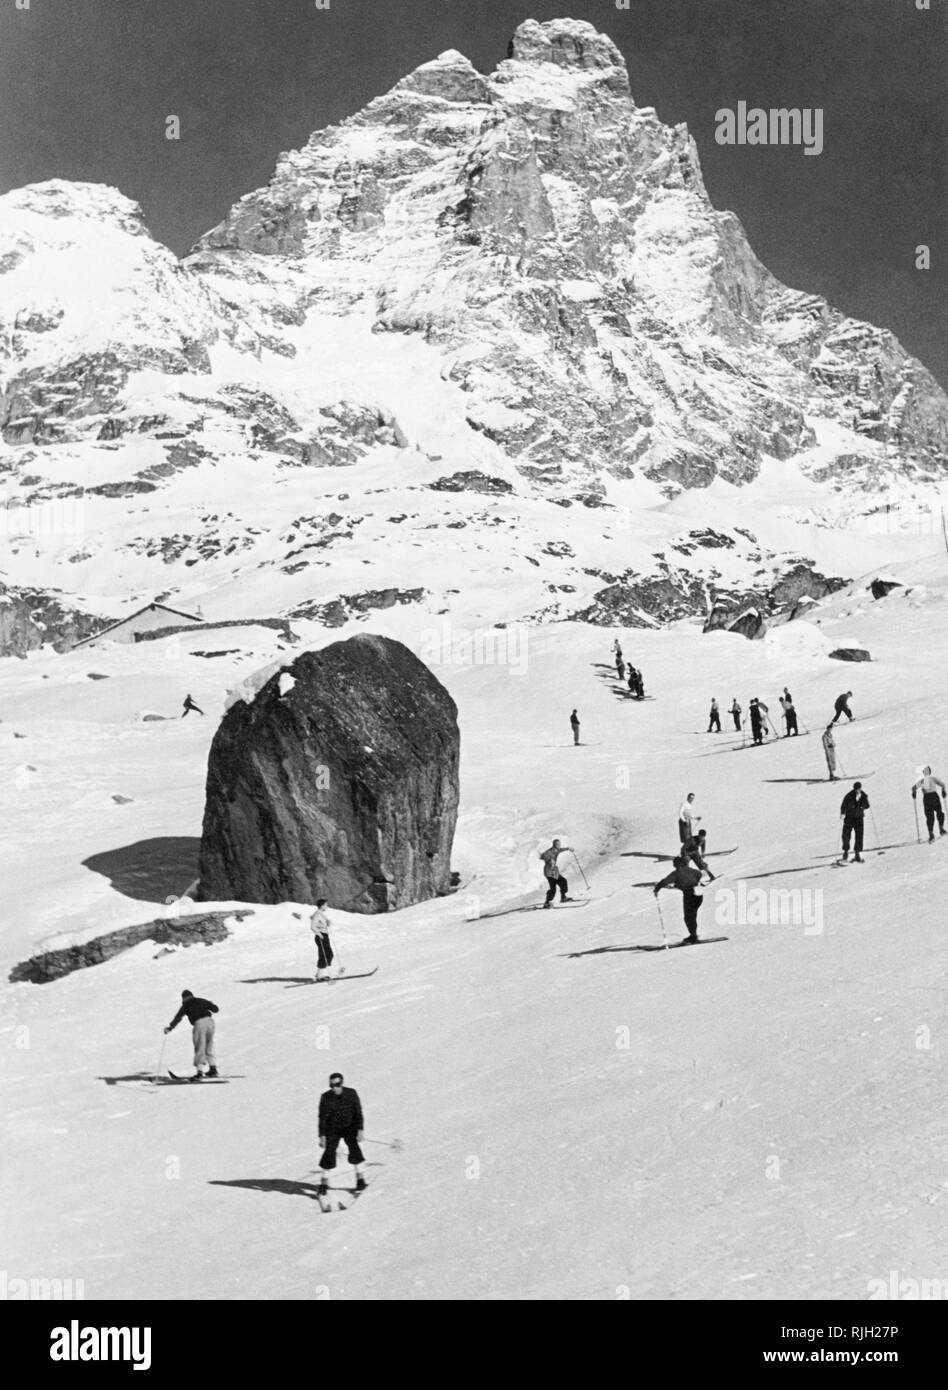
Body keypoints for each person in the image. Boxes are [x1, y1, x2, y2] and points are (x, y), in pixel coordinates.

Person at [317, 1073, 366, 1195]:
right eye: (332, 1085)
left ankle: (360, 1179)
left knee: (354, 1150)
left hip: (349, 1127)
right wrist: (322, 1135)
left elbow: (358, 1113)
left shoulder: (351, 1093)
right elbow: (322, 1118)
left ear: (342, 1083)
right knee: (329, 1152)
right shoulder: (325, 1097)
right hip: (333, 1129)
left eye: (337, 1084)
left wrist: (360, 1130)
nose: (334, 1088)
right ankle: (324, 1182)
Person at [164, 989, 219, 1080]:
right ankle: (213, 1069)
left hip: (199, 1024)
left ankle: (199, 1072)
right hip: (210, 1023)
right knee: (209, 1045)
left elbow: (178, 1017)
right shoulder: (202, 1000)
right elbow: (215, 1009)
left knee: (200, 1046)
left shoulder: (186, 1005)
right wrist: (211, 1004)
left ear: (183, 998)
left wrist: (170, 1028)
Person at [653, 855, 705, 943]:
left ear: (678, 864)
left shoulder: (677, 873)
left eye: (675, 864)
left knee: (689, 917)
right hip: (698, 894)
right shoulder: (692, 870)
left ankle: (693, 936)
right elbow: (700, 874)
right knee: (692, 916)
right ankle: (694, 934)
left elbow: (665, 881)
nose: (674, 866)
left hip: (689, 895)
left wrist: (657, 889)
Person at [912, 766, 947, 842]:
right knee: (933, 815)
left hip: (930, 797)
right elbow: (943, 784)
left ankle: (937, 831)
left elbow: (913, 788)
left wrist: (914, 793)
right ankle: (936, 832)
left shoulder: (926, 780)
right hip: (932, 797)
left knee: (933, 815)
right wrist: (943, 791)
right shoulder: (926, 780)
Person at [839, 782, 869, 863]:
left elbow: (867, 805)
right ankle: (845, 852)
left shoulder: (863, 796)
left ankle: (857, 854)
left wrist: (864, 803)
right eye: (856, 789)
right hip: (849, 818)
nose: (858, 791)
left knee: (859, 836)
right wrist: (843, 813)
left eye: (859, 789)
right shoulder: (849, 796)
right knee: (846, 835)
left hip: (859, 818)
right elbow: (843, 805)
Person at [540, 839, 574, 907]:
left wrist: (568, 848)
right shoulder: (549, 852)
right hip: (549, 872)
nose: (559, 845)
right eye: (557, 844)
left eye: (559, 844)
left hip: (555, 872)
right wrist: (550, 860)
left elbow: (560, 849)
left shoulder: (556, 850)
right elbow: (543, 856)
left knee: (563, 881)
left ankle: (563, 897)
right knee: (553, 889)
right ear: (554, 845)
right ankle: (547, 902)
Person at [309, 898, 335, 981]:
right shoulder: (317, 914)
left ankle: (320, 973)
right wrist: (319, 934)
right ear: (322, 905)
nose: (327, 906)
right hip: (321, 936)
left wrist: (327, 923)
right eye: (326, 905)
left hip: (324, 935)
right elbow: (312, 927)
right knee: (324, 955)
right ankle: (320, 975)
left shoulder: (321, 914)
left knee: (329, 954)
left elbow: (321, 924)